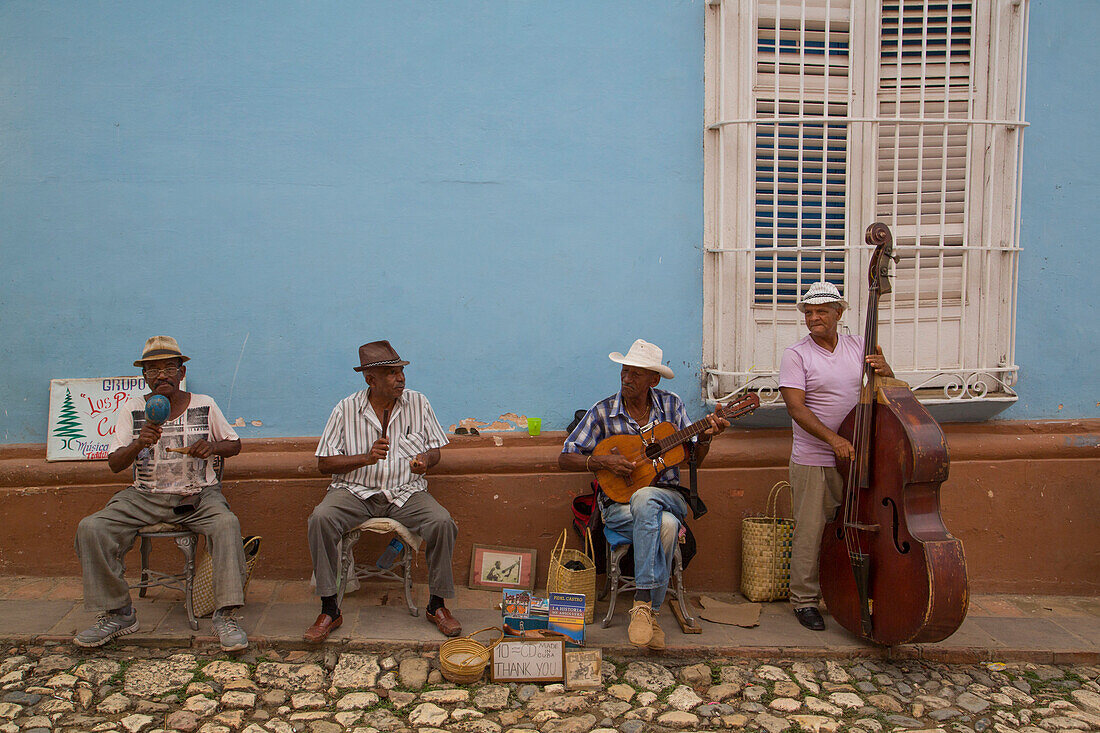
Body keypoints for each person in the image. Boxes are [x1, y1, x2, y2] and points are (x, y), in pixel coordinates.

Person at [74, 336, 248, 651]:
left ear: (182, 373)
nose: (161, 376)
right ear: (144, 377)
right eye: (153, 370)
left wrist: (212, 446)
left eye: (169, 367)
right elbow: (115, 464)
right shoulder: (134, 408)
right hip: (144, 496)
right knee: (92, 527)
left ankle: (226, 616)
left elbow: (234, 444)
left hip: (197, 495)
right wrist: (138, 443)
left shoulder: (203, 404)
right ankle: (119, 613)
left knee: (227, 524)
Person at [558, 339, 729, 649]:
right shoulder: (603, 411)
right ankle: (650, 611)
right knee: (663, 524)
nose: (626, 379)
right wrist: (603, 460)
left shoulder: (672, 406)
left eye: (636, 374)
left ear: (654, 379)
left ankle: (641, 599)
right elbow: (564, 457)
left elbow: (694, 458)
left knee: (646, 497)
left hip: (670, 496)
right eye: (625, 372)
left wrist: (705, 438)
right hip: (618, 507)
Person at [305, 340, 459, 642]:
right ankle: (329, 607)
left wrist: (425, 460)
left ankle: (437, 604)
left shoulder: (418, 402)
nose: (400, 378)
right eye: (391, 373)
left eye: (400, 371)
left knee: (442, 522)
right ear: (370, 380)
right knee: (321, 518)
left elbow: (436, 451)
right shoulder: (346, 408)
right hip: (355, 492)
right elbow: (324, 463)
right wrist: (365, 456)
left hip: (405, 491)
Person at [778, 282, 893, 631]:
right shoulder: (796, 355)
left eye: (822, 311)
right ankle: (804, 600)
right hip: (816, 458)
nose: (814, 318)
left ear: (838, 314)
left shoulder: (859, 345)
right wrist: (833, 440)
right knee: (811, 531)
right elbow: (796, 409)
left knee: (860, 527)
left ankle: (853, 592)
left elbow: (887, 393)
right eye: (809, 312)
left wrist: (886, 371)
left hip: (860, 457)